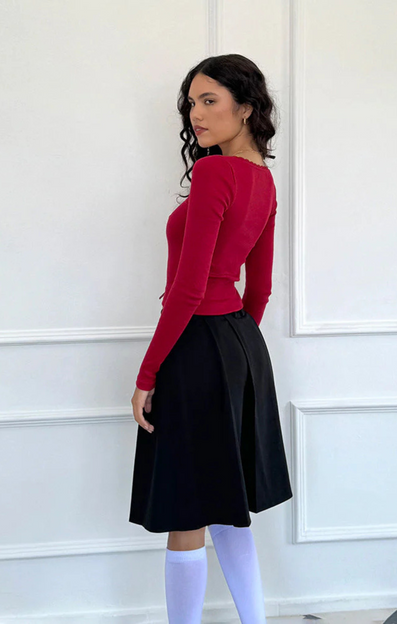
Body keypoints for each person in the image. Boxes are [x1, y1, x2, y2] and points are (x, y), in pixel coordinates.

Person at [129, 54, 293, 624]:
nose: (195, 114)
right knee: (227, 502)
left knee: (187, 507)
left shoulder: (214, 174)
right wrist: (237, 350)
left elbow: (189, 288)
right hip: (240, 343)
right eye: (191, 103)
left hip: (197, 345)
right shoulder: (264, 180)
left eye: (209, 101)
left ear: (245, 108)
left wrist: (148, 374)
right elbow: (259, 288)